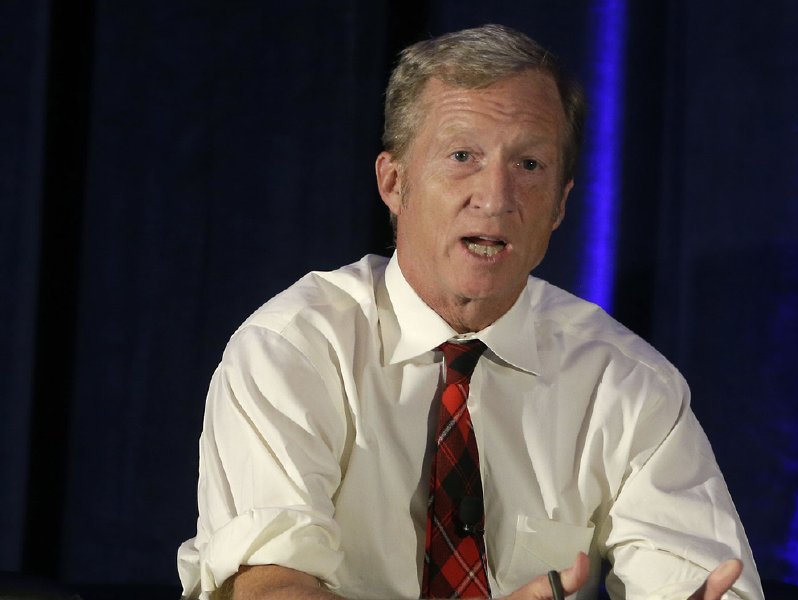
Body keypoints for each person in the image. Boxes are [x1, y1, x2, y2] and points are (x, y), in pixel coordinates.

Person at [177, 24, 763, 600]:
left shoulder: (628, 382)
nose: (496, 198)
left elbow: (702, 583)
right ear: (394, 182)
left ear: (560, 205)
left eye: (529, 165)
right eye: (462, 156)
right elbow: (267, 585)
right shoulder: (294, 349)